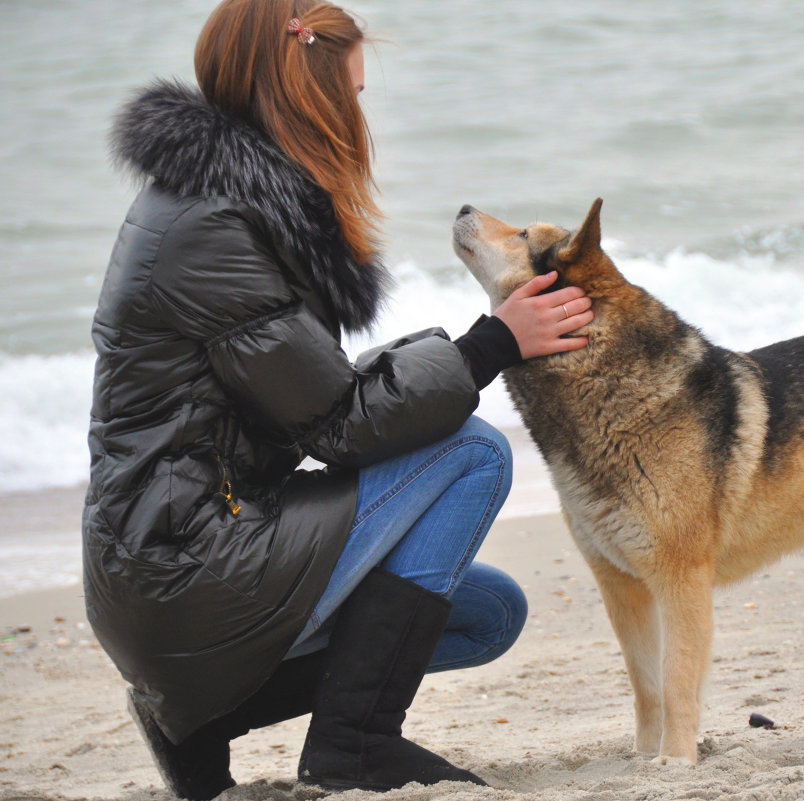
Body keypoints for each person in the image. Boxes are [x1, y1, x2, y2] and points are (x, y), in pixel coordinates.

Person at [82, 0, 593, 797]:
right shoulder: (211, 229)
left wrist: (456, 353)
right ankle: (355, 745)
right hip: (185, 566)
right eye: (350, 95)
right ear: (304, 94)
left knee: (488, 611)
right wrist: (490, 345)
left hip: (172, 558)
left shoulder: (208, 200)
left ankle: (202, 718)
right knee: (473, 454)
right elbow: (340, 425)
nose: (358, 117)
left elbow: (307, 391)